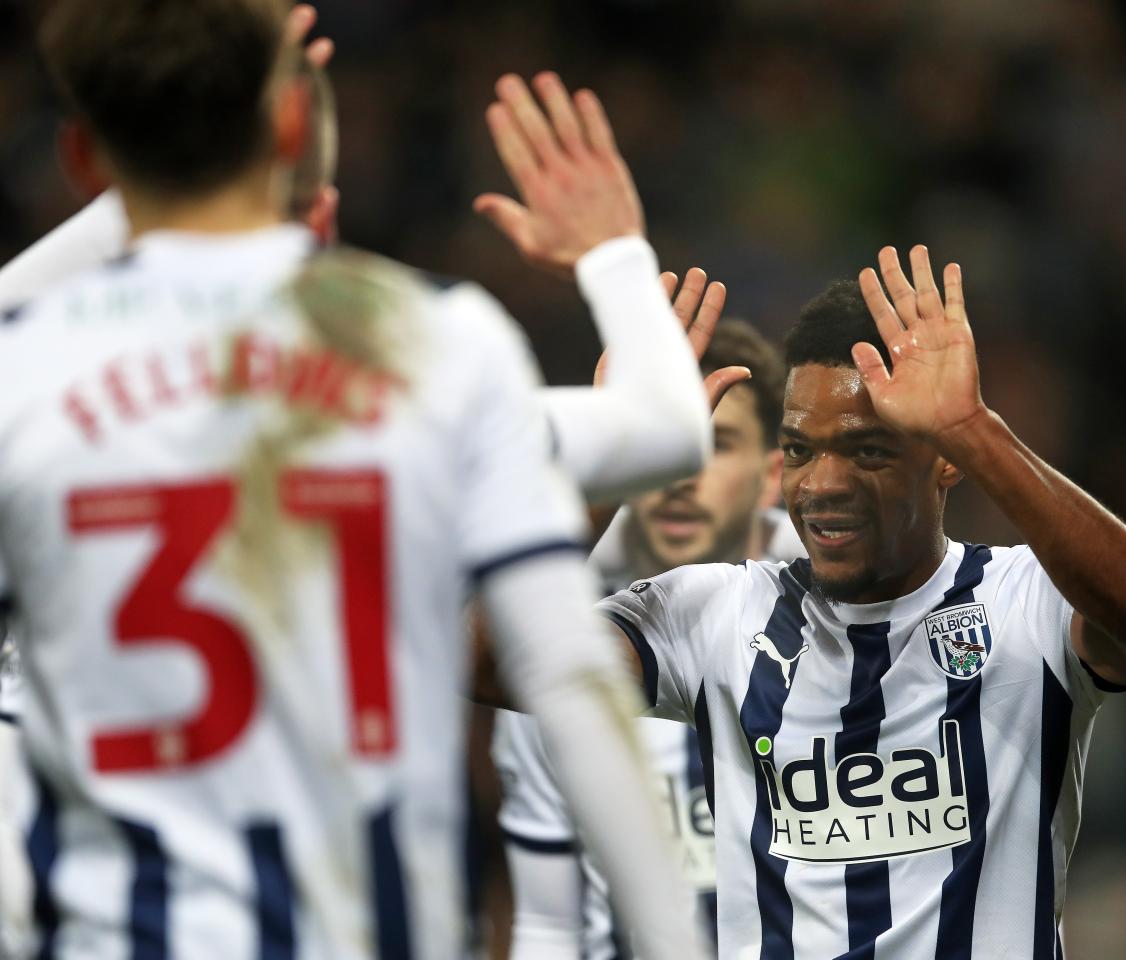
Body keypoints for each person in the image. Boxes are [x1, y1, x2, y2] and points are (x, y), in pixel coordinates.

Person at [0, 1, 715, 957]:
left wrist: (151, 137)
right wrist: (614, 252)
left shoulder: (24, 376)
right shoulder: (434, 346)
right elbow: (573, 667)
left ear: (85, 161)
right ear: (294, 127)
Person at [595, 247, 1126, 957]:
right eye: (798, 450)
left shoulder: (1021, 602)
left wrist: (974, 428)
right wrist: (597, 464)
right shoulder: (714, 615)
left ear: (945, 459)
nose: (821, 484)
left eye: (868, 452)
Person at [492, 319, 802, 958]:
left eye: (712, 443)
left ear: (772, 473)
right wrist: (598, 465)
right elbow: (549, 919)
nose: (680, 473)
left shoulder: (844, 618)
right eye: (664, 442)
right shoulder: (559, 634)